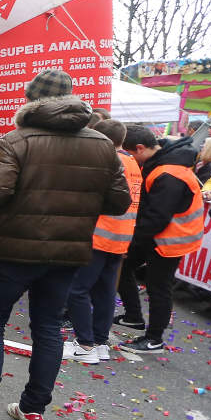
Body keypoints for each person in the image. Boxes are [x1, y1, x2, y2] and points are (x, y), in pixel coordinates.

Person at [0, 69, 129, 420]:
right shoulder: (102, 144)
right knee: (47, 327)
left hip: (16, 246)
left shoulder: (17, 139)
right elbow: (119, 201)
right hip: (68, 249)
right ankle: (32, 411)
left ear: (30, 99)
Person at [115, 125, 203, 353]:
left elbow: (157, 217)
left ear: (140, 148)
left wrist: (131, 243)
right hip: (161, 236)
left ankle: (154, 339)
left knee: (158, 288)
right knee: (123, 268)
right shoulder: (164, 164)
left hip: (170, 240)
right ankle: (134, 316)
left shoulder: (168, 173)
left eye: (130, 154)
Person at [63, 119, 140, 364]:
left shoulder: (107, 161)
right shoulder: (132, 163)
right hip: (121, 235)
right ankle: (99, 342)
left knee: (77, 289)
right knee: (105, 292)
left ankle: (85, 344)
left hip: (98, 234)